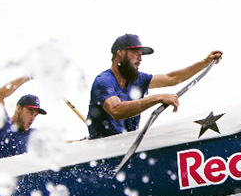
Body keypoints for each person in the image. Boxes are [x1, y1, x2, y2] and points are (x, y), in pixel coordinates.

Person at [87, 34, 222, 139]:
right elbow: (116, 111)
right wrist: (157, 98)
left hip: (125, 147)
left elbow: (172, 79)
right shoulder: (104, 81)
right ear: (120, 53)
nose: (140, 58)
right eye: (135, 53)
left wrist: (205, 62)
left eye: (141, 54)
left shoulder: (138, 79)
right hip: (103, 149)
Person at [0, 75, 47, 167]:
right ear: (18, 108)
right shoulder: (0, 122)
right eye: (30, 112)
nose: (32, 118)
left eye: (35, 115)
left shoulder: (33, 136)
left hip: (7, 179)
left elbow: (58, 143)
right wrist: (28, 76)